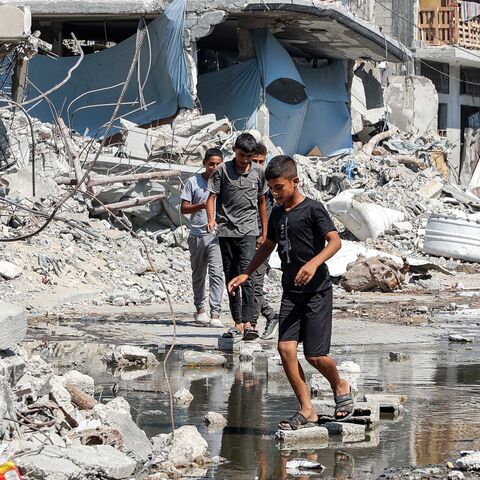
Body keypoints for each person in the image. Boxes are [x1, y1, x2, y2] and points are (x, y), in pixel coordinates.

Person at [228, 155, 356, 428]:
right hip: (291, 291)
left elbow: (335, 242)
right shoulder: (276, 213)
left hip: (317, 291)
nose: (274, 194)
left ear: (295, 181)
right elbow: (267, 246)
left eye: (279, 188)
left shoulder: (313, 209)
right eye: (271, 189)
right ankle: (306, 408)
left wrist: (313, 263)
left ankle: (340, 384)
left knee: (315, 356)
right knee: (285, 349)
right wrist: (246, 272)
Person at [207, 133, 268, 341]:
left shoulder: (259, 172)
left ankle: (250, 322)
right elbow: (212, 197)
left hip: (249, 231)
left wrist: (264, 232)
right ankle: (237, 322)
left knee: (247, 274)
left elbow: (262, 203)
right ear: (234, 150)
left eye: (248, 157)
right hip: (226, 230)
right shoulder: (222, 171)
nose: (244, 161)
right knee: (231, 275)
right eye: (241, 155)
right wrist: (211, 219)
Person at [180, 148, 224, 328]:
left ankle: (215, 312)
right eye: (211, 164)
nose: (214, 167)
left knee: (216, 273)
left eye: (218, 164)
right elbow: (184, 208)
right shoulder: (193, 182)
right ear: (204, 164)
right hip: (197, 234)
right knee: (199, 274)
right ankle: (200, 310)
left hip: (216, 236)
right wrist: (203, 205)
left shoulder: (224, 182)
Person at [250, 142, 279, 340]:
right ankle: (268, 315)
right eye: (255, 161)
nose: (259, 165)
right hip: (244, 239)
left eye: (262, 161)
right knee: (244, 282)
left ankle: (252, 325)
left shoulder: (271, 189)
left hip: (263, 241)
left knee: (254, 284)